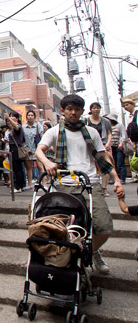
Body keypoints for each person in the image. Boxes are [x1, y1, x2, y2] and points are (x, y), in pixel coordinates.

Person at [36, 94, 125, 275]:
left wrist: (116, 179)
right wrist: (47, 162)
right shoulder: (54, 131)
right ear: (63, 111)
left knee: (104, 226)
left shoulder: (91, 133)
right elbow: (39, 151)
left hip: (89, 183)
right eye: (69, 109)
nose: (73, 113)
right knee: (62, 228)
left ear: (82, 111)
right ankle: (72, 260)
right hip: (62, 184)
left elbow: (103, 158)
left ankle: (89, 254)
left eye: (77, 110)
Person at [85, 102, 113, 196]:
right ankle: (94, 186)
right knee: (93, 166)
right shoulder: (87, 120)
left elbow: (109, 133)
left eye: (98, 108)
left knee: (106, 165)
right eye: (94, 108)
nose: (96, 110)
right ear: (91, 110)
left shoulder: (105, 121)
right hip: (91, 146)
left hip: (104, 145)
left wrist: (108, 144)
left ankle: (104, 188)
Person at [4, 112, 26, 193]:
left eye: (13, 117)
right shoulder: (12, 128)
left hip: (16, 149)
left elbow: (16, 127)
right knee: (17, 168)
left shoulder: (18, 126)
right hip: (13, 148)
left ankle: (18, 186)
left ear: (17, 118)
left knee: (17, 169)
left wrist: (8, 118)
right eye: (10, 117)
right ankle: (22, 185)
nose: (11, 118)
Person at [22, 110, 42, 188]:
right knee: (29, 167)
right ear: (26, 117)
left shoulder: (38, 126)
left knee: (40, 166)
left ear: (34, 117)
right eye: (29, 115)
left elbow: (42, 136)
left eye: (32, 115)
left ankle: (43, 183)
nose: (30, 117)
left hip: (37, 149)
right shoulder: (23, 127)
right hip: (28, 150)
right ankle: (30, 184)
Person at [107, 114, 128, 184]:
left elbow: (123, 135)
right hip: (111, 147)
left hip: (119, 146)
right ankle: (115, 178)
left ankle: (122, 178)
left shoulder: (120, 125)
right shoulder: (109, 127)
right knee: (113, 163)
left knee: (120, 162)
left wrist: (121, 143)